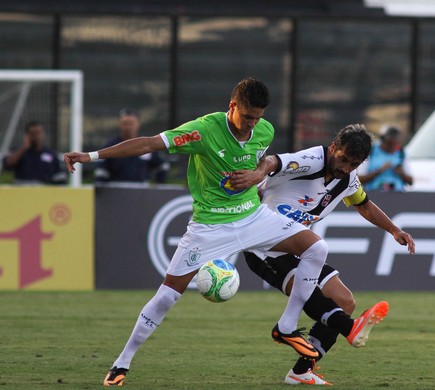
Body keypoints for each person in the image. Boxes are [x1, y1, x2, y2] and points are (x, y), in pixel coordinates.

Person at [64, 77, 334, 386]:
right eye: (246, 116)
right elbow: (149, 143)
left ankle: (286, 326)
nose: (251, 125)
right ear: (232, 106)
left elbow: (261, 160)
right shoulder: (203, 131)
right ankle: (122, 362)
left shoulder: (264, 130)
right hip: (210, 226)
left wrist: (254, 176)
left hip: (253, 216)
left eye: (257, 118)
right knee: (166, 297)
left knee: (317, 248)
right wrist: (91, 156)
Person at [244, 123, 416, 385]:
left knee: (344, 301)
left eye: (354, 164)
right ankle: (348, 328)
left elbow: (364, 205)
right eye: (343, 159)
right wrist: (257, 176)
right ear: (334, 147)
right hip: (264, 248)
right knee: (310, 284)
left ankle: (300, 371)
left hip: (299, 249)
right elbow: (273, 162)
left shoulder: (348, 180)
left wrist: (394, 230)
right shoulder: (312, 160)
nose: (345, 168)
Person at [94, 108, 169, 184]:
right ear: (119, 125)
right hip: (116, 190)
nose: (128, 127)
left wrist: (158, 186)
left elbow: (162, 166)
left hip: (141, 192)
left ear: (138, 124)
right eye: (125, 124)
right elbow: (101, 171)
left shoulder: (146, 144)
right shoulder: (111, 146)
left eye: (131, 124)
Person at [2, 121, 67, 185]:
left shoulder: (51, 154)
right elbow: (8, 164)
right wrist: (24, 148)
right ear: (27, 136)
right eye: (33, 134)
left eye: (38, 133)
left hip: (43, 190)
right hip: (21, 189)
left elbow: (59, 177)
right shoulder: (18, 151)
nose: (37, 137)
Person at [357, 124, 412, 191]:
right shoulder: (370, 151)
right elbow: (359, 180)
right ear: (382, 140)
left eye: (395, 143)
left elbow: (411, 182)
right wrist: (378, 171)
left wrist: (401, 173)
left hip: (398, 195)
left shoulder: (402, 153)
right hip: (374, 194)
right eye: (390, 143)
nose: (393, 146)